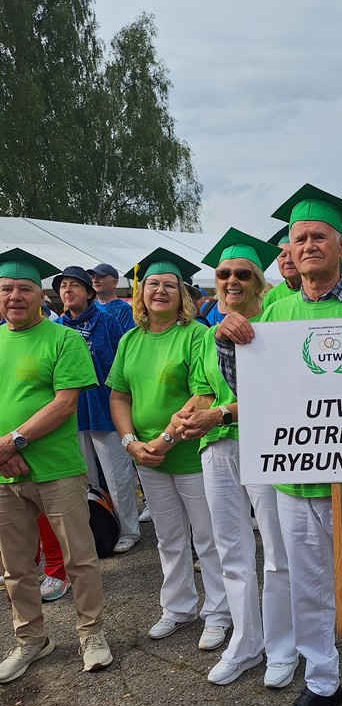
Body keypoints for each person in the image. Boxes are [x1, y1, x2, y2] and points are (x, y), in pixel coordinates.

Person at [216, 184, 342, 706]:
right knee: (307, 589)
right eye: (298, 238)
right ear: (289, 252)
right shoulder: (274, 312)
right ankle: (322, 682)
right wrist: (228, 344)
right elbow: (249, 391)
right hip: (296, 481)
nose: (308, 245)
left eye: (318, 235)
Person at [173, 227, 298, 687]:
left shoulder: (276, 329)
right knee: (231, 547)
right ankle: (246, 642)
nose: (231, 281)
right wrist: (183, 420)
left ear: (259, 283)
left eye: (242, 274)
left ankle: (283, 644)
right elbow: (204, 392)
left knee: (277, 550)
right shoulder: (209, 335)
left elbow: (283, 397)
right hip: (217, 447)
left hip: (269, 443)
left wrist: (219, 414)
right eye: (224, 274)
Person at [107, 249, 229, 651]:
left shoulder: (195, 335)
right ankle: (178, 607)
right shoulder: (130, 340)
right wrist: (131, 443)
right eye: (153, 284)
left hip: (189, 455)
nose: (160, 291)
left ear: (183, 295)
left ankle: (219, 612)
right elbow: (119, 396)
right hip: (147, 458)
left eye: (170, 286)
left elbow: (203, 395)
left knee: (207, 537)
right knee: (169, 537)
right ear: (141, 293)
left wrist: (162, 441)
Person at [0, 249, 113, 682]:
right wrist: (5, 453)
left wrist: (13, 441)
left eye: (24, 289)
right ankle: (31, 639)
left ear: (39, 296)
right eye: (6, 289)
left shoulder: (63, 340)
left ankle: (91, 634)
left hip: (58, 469)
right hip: (4, 473)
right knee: (15, 566)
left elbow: (65, 403)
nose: (15, 296)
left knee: (78, 558)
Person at [54, 266, 140, 560]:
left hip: (105, 409)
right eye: (63, 286)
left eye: (74, 285)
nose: (68, 290)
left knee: (117, 476)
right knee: (82, 478)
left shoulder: (107, 323)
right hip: (72, 414)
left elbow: (125, 364)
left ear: (89, 292)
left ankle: (129, 530)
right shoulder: (57, 328)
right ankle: (95, 530)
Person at [261, 225, 302, 311]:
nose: (288, 260)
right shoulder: (271, 297)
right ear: (277, 260)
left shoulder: (317, 292)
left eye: (293, 254)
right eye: (283, 256)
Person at [88, 262, 135, 332]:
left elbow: (129, 335)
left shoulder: (123, 308)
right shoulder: (90, 307)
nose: (95, 280)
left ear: (114, 282)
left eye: (101, 277)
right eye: (93, 277)